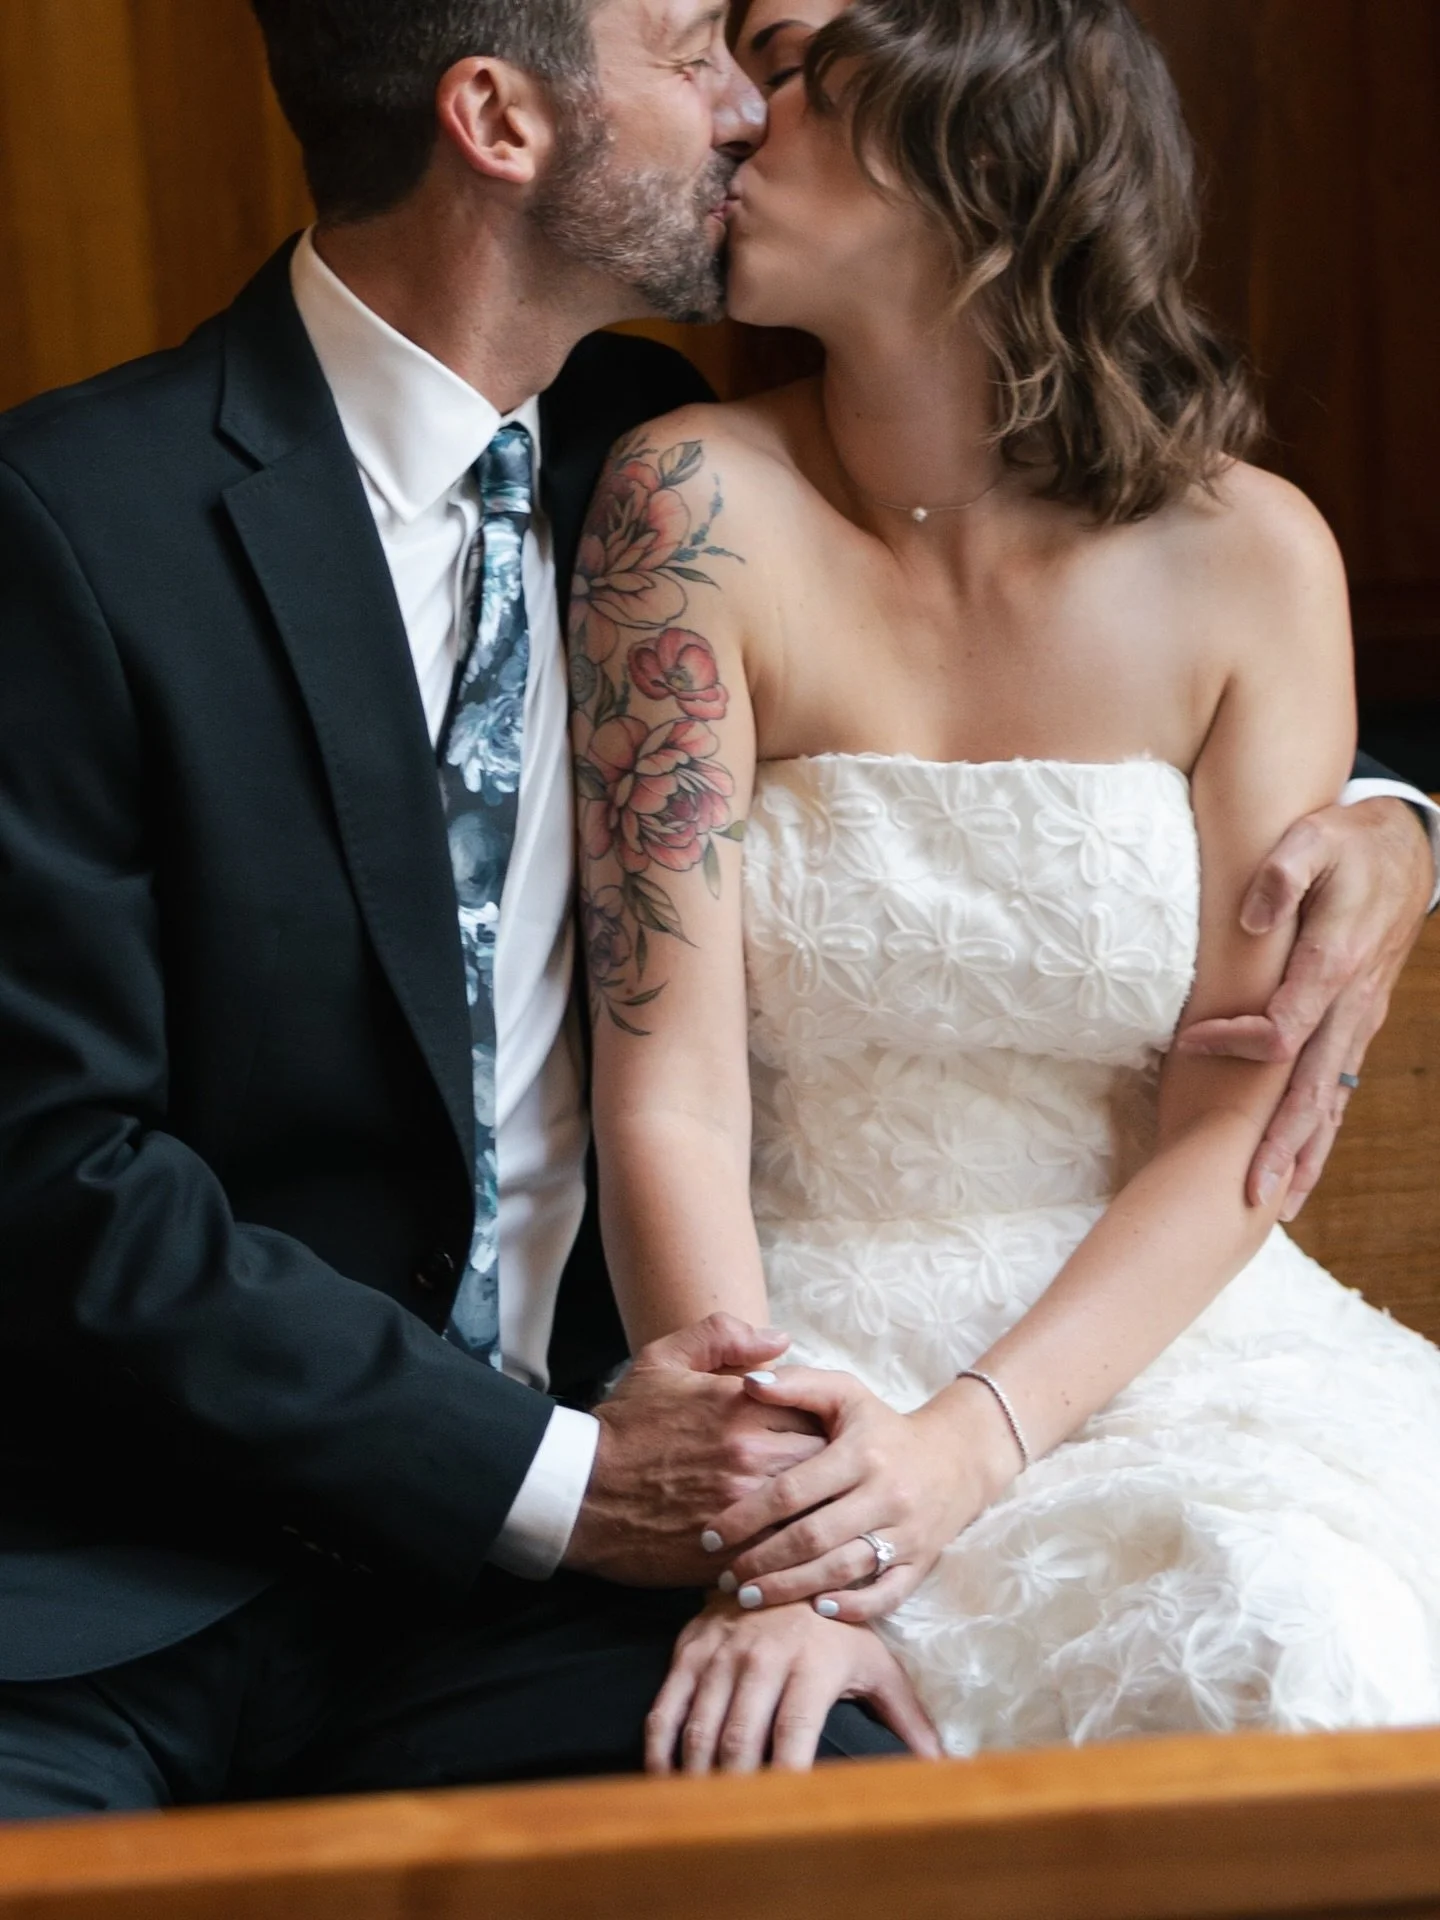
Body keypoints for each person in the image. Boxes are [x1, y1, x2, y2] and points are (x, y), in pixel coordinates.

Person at [0, 0, 942, 1821]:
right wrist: (556, 1476)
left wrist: (1386, 810)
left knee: (846, 1812)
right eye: (690, 56)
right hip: (110, 1585)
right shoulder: (66, 524)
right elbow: (50, 1174)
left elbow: (1041, 602)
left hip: (534, 1611)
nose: (748, 110)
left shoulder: (662, 455)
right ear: (499, 119)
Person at [568, 0, 1440, 1774]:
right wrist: (777, 1528)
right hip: (794, 1347)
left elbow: (1235, 1123)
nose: (730, 111)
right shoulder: (686, 509)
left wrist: (977, 1439)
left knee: (1298, 1634)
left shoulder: (1252, 555)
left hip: (1153, 1346)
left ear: (971, 122)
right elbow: (669, 1084)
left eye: (787, 57)